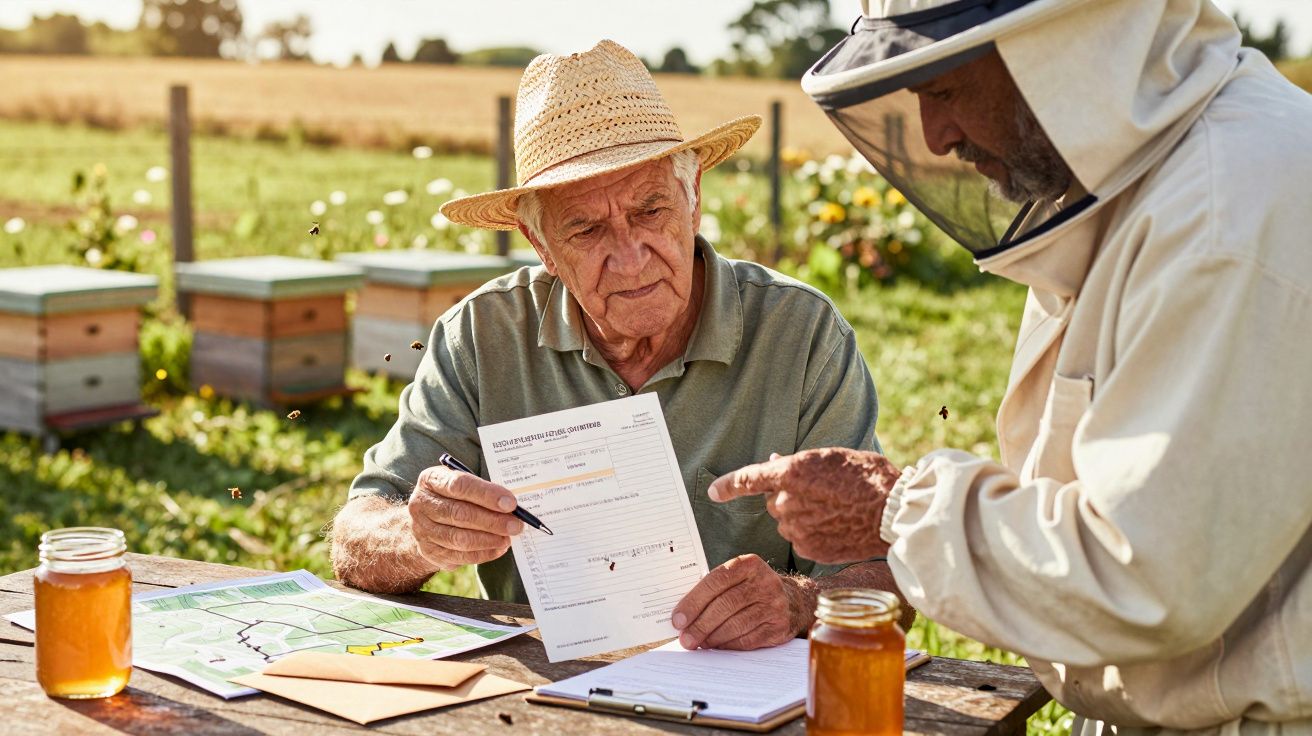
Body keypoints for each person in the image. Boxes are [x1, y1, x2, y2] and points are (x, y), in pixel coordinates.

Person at [711, 0, 1312, 732]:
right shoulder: (1132, 182)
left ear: (1061, 46)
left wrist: (895, 509)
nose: (935, 135)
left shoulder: (1227, 210)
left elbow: (1146, 573)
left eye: (944, 89)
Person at [331, 39, 912, 653]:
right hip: (542, 688)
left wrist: (798, 603)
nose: (631, 258)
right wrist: (417, 536)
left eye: (650, 210)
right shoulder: (482, 335)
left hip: (741, 686)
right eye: (586, 229)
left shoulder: (801, 333)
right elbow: (357, 537)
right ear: (540, 243)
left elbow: (888, 575)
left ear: (693, 199)